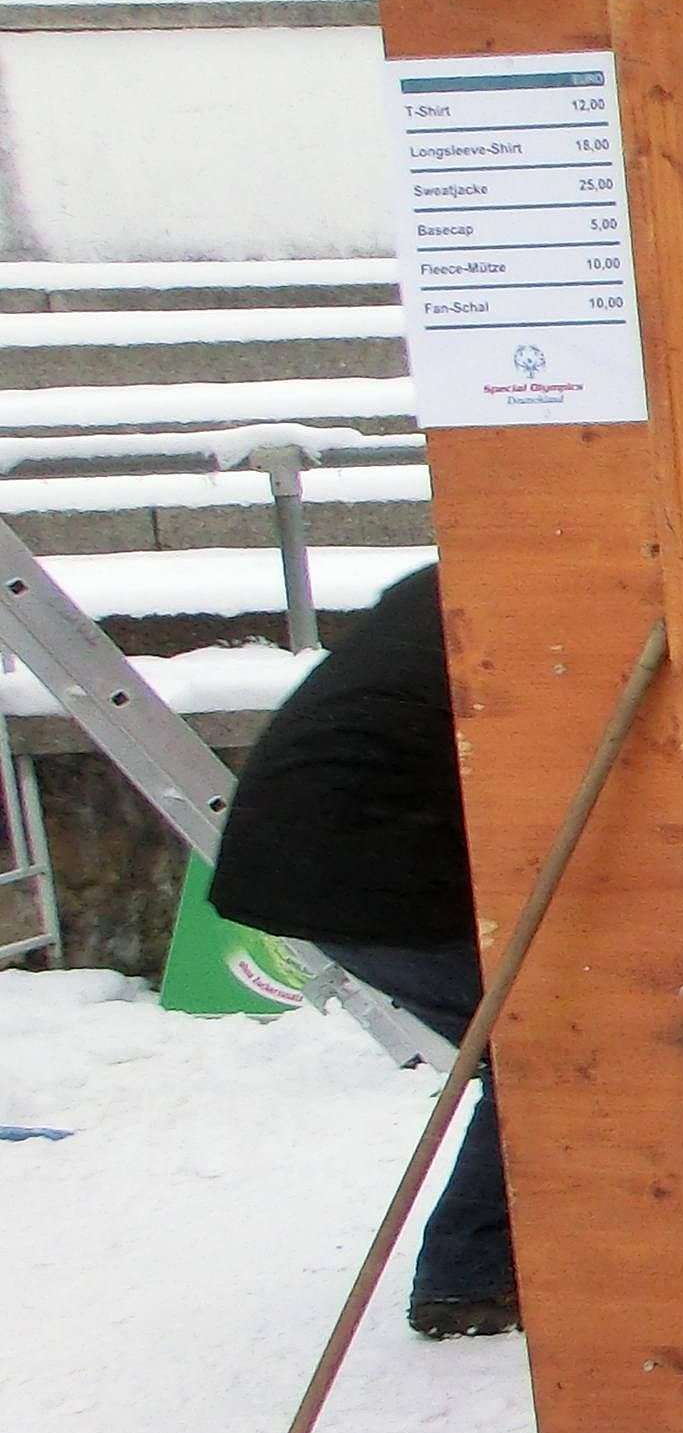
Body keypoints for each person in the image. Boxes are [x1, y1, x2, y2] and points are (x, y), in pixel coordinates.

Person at [206, 561, 521, 1338]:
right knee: (540, 1053)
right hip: (359, 860)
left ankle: (489, 1267)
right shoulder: (516, 595)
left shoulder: (452, 581)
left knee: (530, 1051)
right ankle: (469, 1278)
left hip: (303, 851)